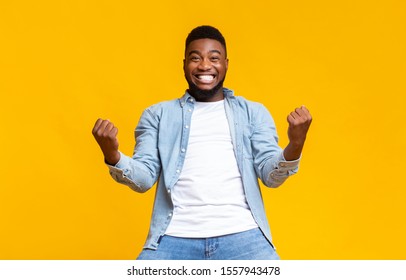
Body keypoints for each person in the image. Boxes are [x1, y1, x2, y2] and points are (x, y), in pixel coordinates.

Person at [92, 25, 312, 260]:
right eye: (195, 58)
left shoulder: (253, 113)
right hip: (174, 237)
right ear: (184, 64)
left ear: (226, 63)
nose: (205, 65)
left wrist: (295, 145)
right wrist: (112, 154)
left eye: (214, 58)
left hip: (243, 236)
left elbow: (271, 176)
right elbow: (144, 179)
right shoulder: (157, 115)